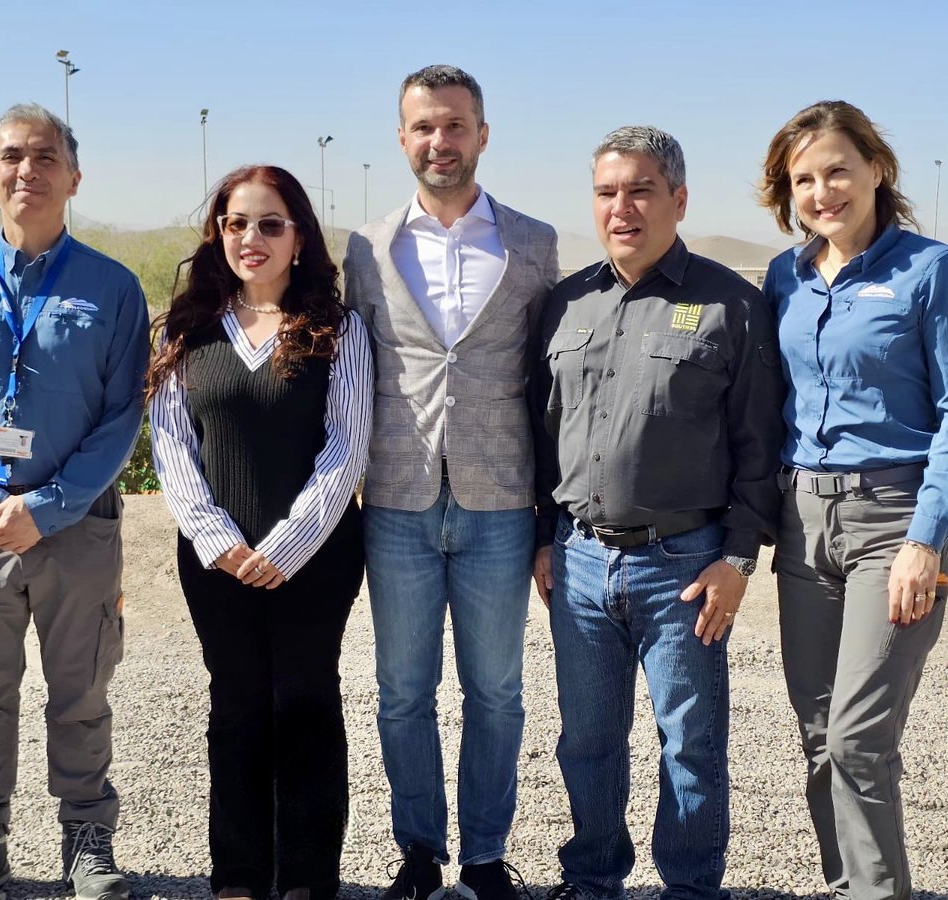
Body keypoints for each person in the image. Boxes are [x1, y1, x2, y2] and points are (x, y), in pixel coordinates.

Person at [531, 125, 785, 900]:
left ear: (678, 198)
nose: (622, 208)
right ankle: (595, 879)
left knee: (693, 748)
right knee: (589, 744)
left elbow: (759, 445)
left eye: (640, 190)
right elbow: (543, 434)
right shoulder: (564, 303)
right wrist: (546, 535)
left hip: (684, 564)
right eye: (608, 192)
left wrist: (737, 559)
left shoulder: (730, 305)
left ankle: (691, 886)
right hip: (577, 562)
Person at [0, 103, 149, 900]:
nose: (27, 170)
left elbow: (121, 418)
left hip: (77, 527)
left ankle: (87, 839)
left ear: (73, 178)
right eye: (12, 155)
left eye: (45, 157)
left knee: (80, 689)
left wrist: (47, 506)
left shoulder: (112, 289)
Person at [757, 101, 948, 900]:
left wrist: (926, 540)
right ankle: (849, 881)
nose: (822, 192)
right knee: (821, 736)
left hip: (892, 520)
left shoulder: (931, 271)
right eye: (803, 180)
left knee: (860, 736)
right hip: (801, 520)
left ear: (876, 170)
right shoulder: (782, 277)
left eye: (836, 171)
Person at [343, 64, 558, 900]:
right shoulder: (365, 247)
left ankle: (486, 856)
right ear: (403, 138)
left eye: (456, 125)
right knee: (402, 693)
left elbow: (548, 382)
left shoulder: (534, 243)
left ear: (482, 135)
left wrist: (547, 515)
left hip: (501, 501)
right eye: (425, 127)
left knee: (497, 691)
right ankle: (419, 854)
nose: (441, 141)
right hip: (393, 500)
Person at [147, 164, 372, 900]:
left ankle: (308, 879)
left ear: (299, 238)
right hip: (215, 562)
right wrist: (218, 541)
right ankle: (239, 878)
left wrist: (284, 548)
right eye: (237, 223)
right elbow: (172, 446)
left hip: (317, 557)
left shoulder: (339, 330)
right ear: (218, 234)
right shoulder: (185, 331)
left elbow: (347, 446)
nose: (252, 238)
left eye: (270, 223)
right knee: (236, 707)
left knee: (306, 703)